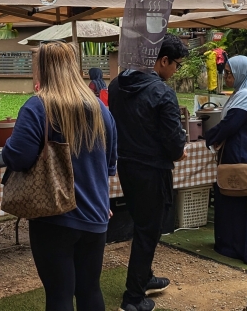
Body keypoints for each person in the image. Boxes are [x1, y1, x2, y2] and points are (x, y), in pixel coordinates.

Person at [2, 42, 118, 311]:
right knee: (90, 290)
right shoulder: (101, 109)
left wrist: (7, 146)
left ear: (42, 69)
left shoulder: (37, 107)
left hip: (53, 216)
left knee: (58, 295)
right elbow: (110, 165)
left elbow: (18, 157)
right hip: (95, 216)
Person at [107, 34, 189, 311]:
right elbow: (174, 141)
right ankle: (132, 299)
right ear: (163, 60)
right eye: (176, 64)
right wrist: (178, 151)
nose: (175, 70)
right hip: (153, 170)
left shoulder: (117, 84)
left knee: (141, 223)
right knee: (148, 230)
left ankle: (145, 277)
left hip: (126, 165)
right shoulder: (162, 92)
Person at [204, 55, 247, 264]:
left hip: (242, 155)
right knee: (235, 196)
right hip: (241, 152)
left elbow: (230, 124)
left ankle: (240, 246)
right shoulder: (244, 94)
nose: (228, 77)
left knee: (240, 195)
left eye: (231, 73)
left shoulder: (245, 96)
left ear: (242, 74)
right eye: (227, 73)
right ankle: (235, 244)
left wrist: (209, 137)